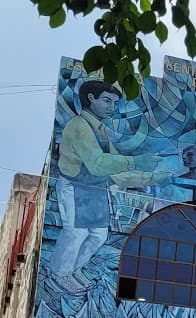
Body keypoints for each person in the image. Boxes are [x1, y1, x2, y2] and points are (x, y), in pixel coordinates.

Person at [53, 79, 172, 284]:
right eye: (107, 101)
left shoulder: (101, 131)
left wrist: (152, 177)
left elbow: (115, 171)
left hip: (95, 190)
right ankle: (60, 275)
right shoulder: (79, 126)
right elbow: (98, 164)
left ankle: (75, 269)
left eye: (115, 103)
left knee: (98, 236)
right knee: (76, 232)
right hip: (75, 188)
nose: (112, 107)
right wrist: (136, 161)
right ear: (91, 99)